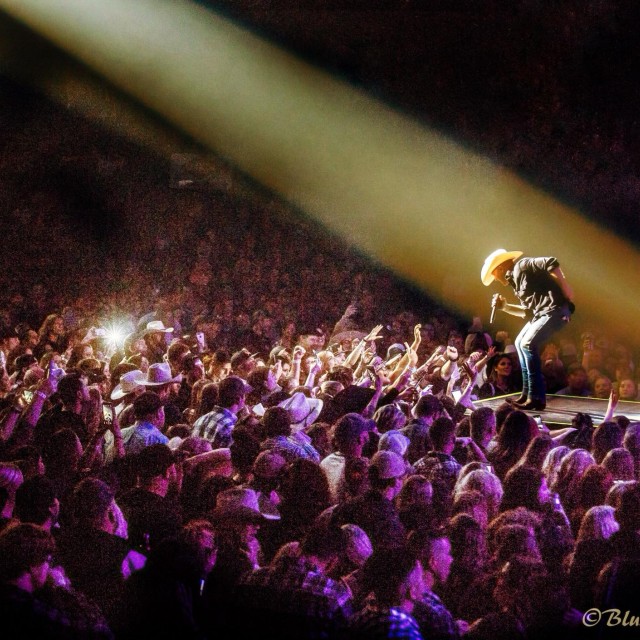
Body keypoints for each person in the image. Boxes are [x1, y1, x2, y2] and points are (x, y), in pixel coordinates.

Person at [481, 249, 574, 410]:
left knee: (527, 344)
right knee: (519, 342)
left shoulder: (522, 266)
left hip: (555, 310)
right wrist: (505, 307)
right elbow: (527, 312)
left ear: (500, 268)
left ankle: (536, 397)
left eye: (494, 274)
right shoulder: (516, 282)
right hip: (541, 314)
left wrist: (566, 289)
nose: (495, 279)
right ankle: (527, 393)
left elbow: (551, 261)